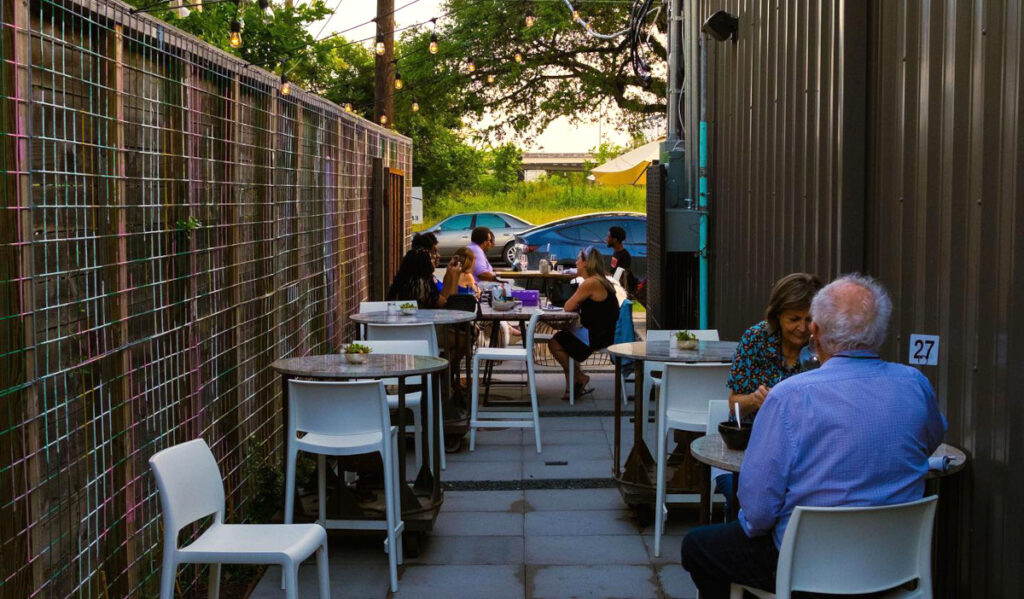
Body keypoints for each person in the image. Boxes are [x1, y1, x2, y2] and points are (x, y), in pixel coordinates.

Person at [680, 274, 946, 599]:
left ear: (815, 333)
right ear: (881, 334)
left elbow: (757, 514)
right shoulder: (915, 384)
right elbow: (931, 441)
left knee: (697, 545)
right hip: (892, 563)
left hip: (806, 568)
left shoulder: (789, 397)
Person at [714, 273, 823, 513]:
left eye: (810, 319)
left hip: (807, 452)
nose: (802, 328)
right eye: (794, 319)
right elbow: (734, 405)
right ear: (777, 316)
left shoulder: (824, 345)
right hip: (756, 448)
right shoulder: (756, 340)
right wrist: (755, 399)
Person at [547, 247, 620, 400]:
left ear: (586, 263)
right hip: (604, 332)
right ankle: (572, 389)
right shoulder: (600, 280)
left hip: (597, 337)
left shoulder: (590, 283)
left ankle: (580, 377)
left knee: (555, 342)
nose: (576, 263)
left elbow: (568, 306)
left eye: (579, 260)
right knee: (564, 336)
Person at [386, 248, 461, 308]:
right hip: (424, 325)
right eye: (431, 259)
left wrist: (450, 273)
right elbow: (445, 304)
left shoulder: (403, 281)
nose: (434, 261)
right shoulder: (422, 284)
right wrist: (454, 275)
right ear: (423, 264)